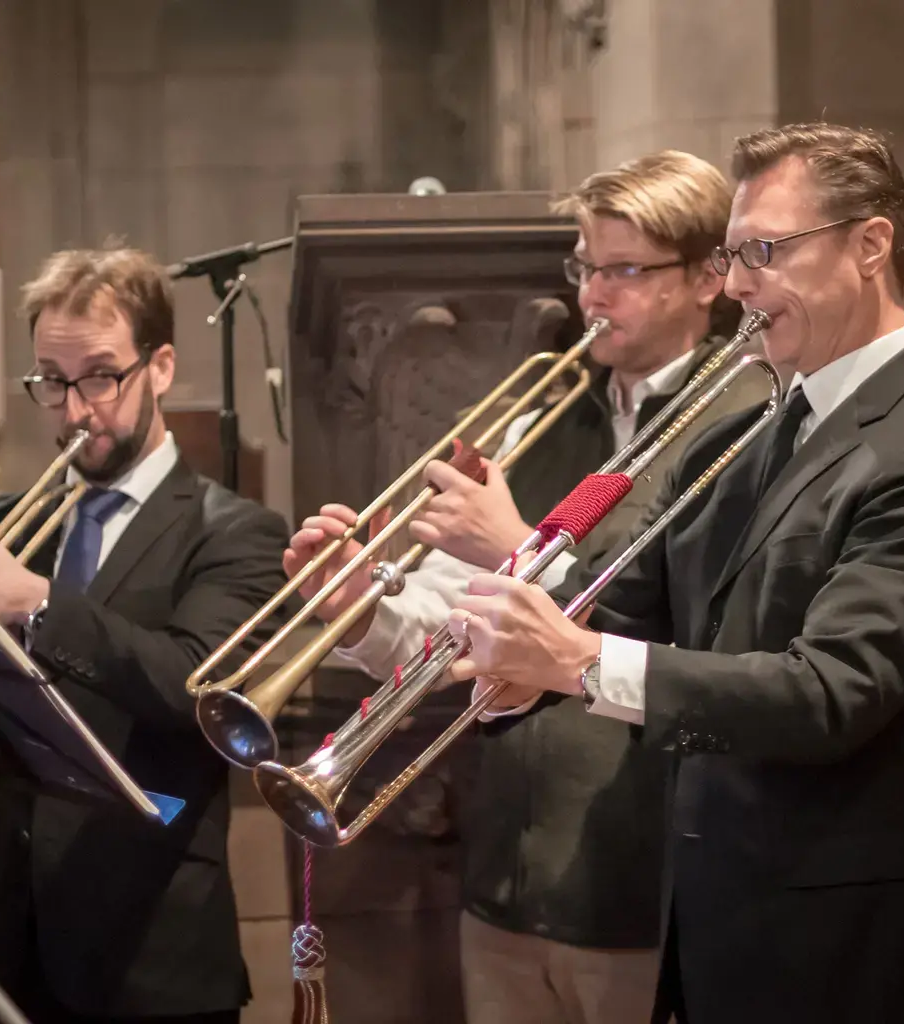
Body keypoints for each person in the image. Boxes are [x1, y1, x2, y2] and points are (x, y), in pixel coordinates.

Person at [443, 122, 904, 1024]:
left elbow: (833, 691)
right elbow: (621, 603)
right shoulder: (750, 434)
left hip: (858, 942)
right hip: (718, 924)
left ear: (871, 245)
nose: (740, 285)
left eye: (764, 252)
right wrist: (504, 659)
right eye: (733, 255)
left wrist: (579, 660)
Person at [284, 151, 769, 1024]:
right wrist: (357, 603)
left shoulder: (738, 431)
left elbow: (715, 645)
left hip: (644, 884)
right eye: (584, 267)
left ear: (708, 279)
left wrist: (513, 544)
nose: (591, 297)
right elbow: (444, 636)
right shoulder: (538, 418)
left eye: (624, 270)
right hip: (505, 870)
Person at [0, 245, 291, 1024]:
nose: (74, 410)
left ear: (160, 368)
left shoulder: (236, 533)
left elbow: (192, 687)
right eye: (52, 382)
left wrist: (39, 601)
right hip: (1, 938)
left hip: (149, 949)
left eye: (101, 376)